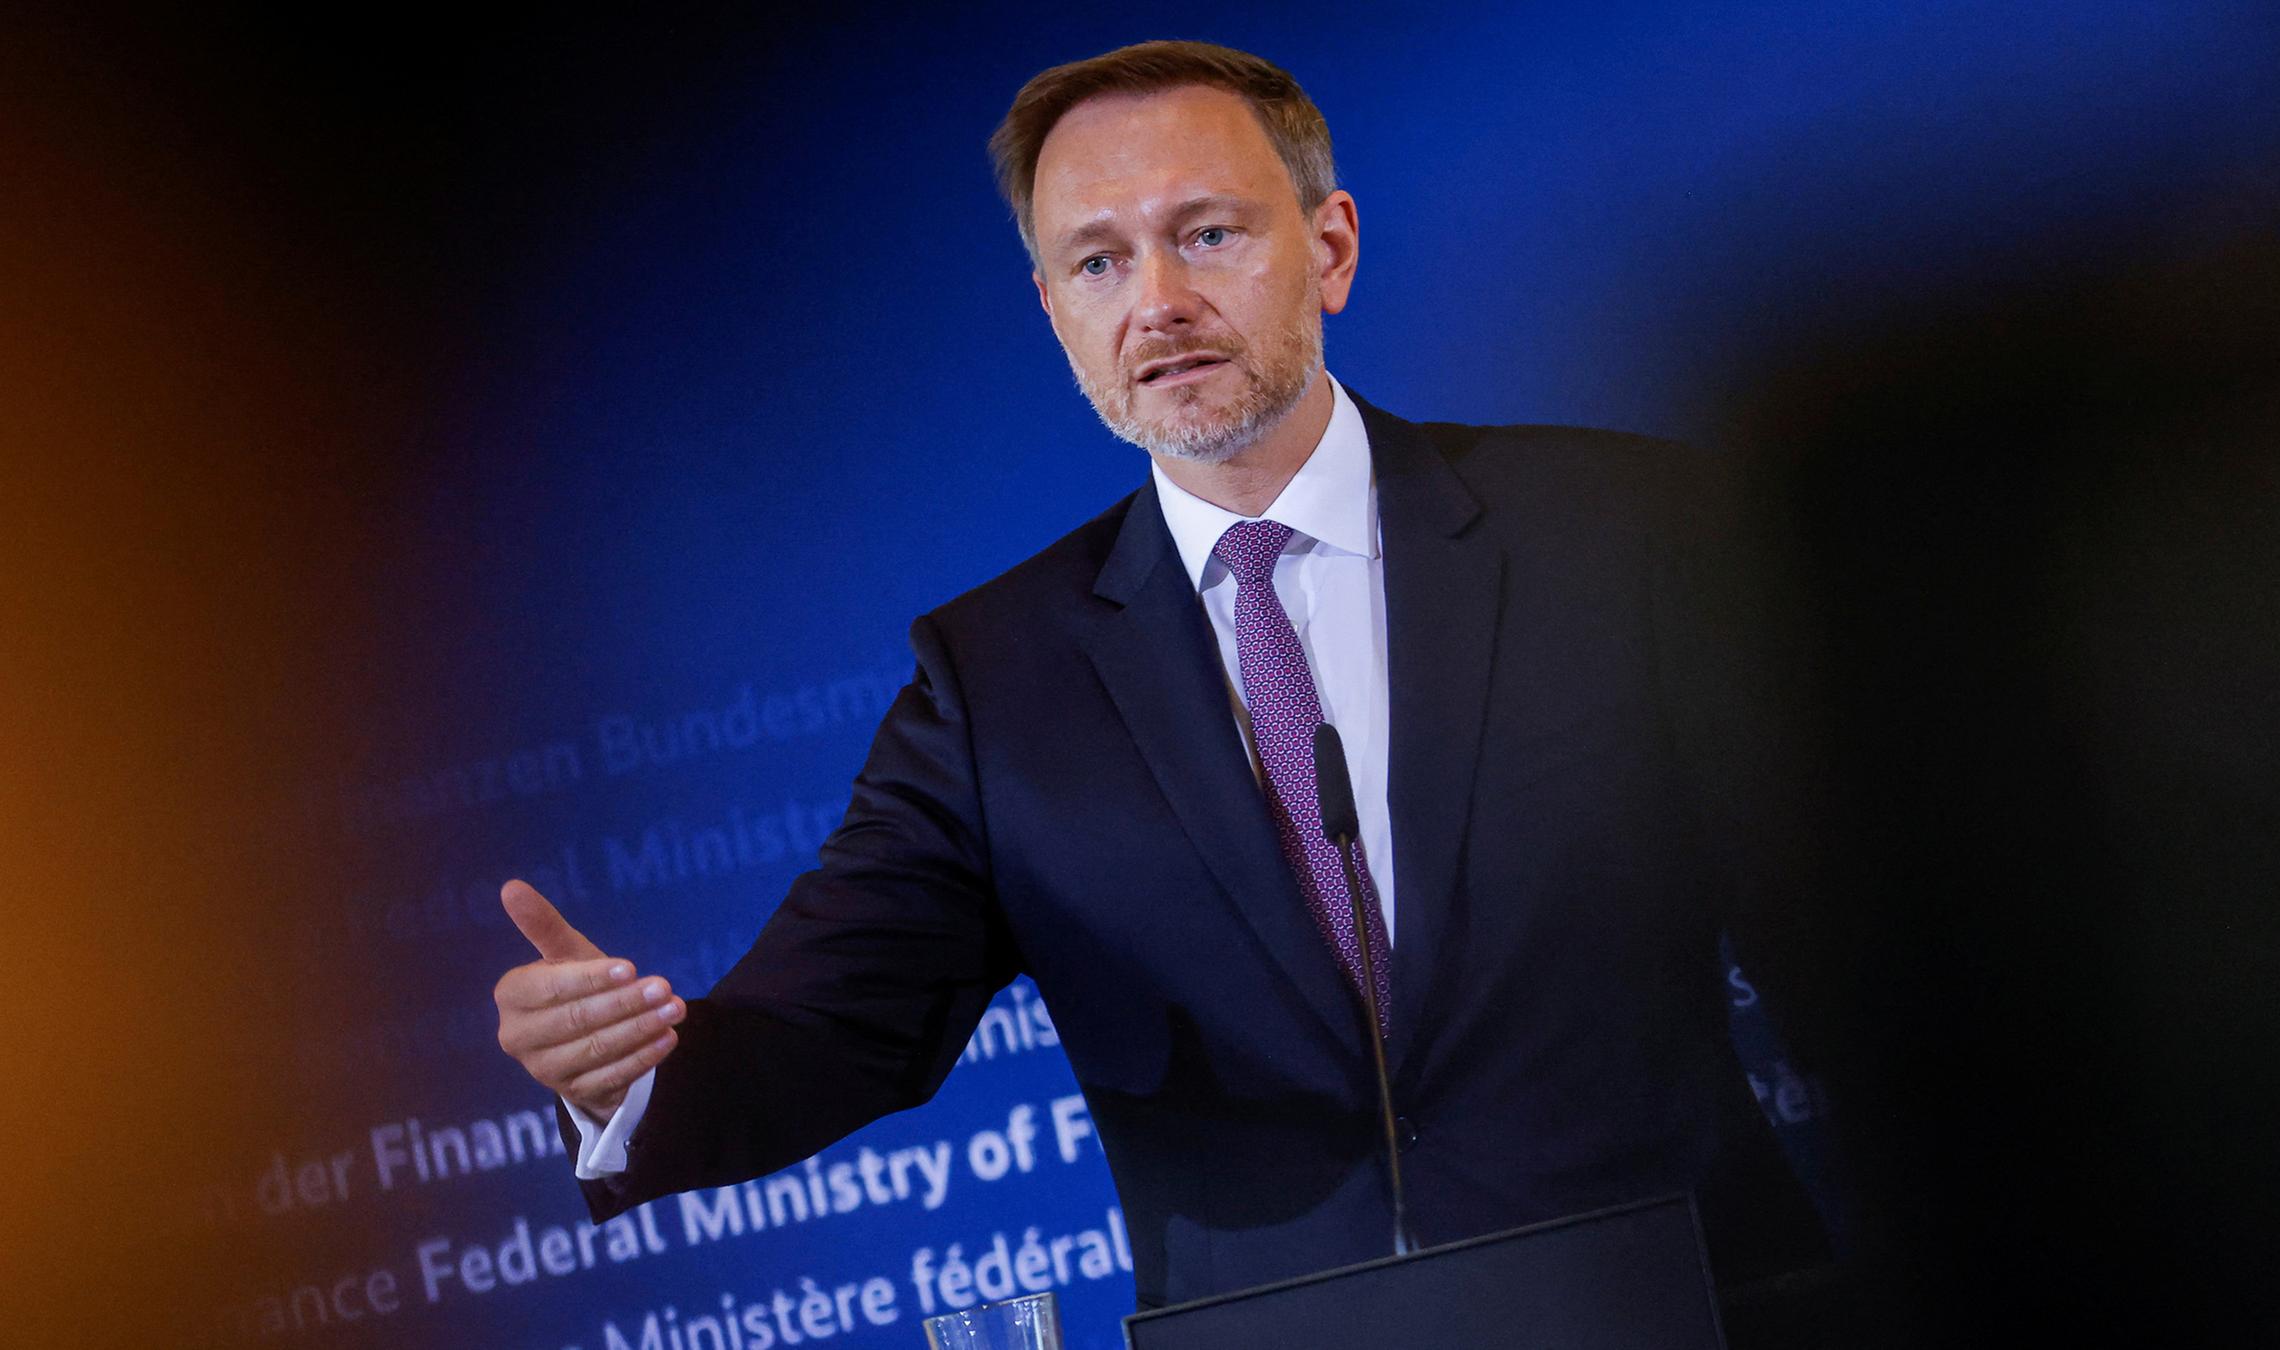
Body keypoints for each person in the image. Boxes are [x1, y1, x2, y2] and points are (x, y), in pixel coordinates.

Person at [492, 39, 1828, 1316]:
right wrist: (622, 1073)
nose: (1158, 302)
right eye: (1098, 260)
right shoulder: (995, 682)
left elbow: (1841, 919)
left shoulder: (1617, 529)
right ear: (1054, 312)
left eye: (1208, 234)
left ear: (1330, 248)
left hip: (1685, 1304)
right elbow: (828, 1029)